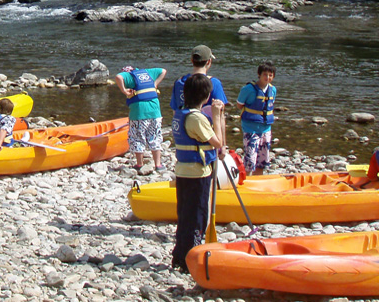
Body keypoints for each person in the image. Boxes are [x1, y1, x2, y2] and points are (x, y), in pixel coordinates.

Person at [171, 73, 226, 273]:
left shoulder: (181, 113)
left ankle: (179, 256)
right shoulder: (196, 118)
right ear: (205, 96)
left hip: (183, 171)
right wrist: (218, 116)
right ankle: (190, 259)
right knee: (197, 217)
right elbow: (218, 143)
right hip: (197, 174)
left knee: (184, 215)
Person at [115, 65, 167, 171]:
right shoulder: (148, 72)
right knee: (155, 136)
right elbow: (163, 71)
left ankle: (139, 164)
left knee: (138, 137)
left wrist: (124, 90)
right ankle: (158, 165)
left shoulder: (128, 76)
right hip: (155, 111)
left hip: (139, 113)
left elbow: (118, 77)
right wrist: (155, 84)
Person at [235, 61, 277, 176]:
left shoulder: (273, 90)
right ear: (259, 74)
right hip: (250, 128)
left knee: (262, 162)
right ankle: (246, 182)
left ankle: (258, 181)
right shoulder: (248, 89)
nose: (267, 77)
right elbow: (239, 105)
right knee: (250, 160)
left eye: (270, 75)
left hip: (266, 129)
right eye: (265, 74)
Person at [170, 44, 229, 120]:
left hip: (184, 127)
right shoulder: (214, 83)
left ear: (192, 60)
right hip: (205, 128)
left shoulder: (179, 82)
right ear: (209, 62)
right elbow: (220, 114)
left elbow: (175, 111)